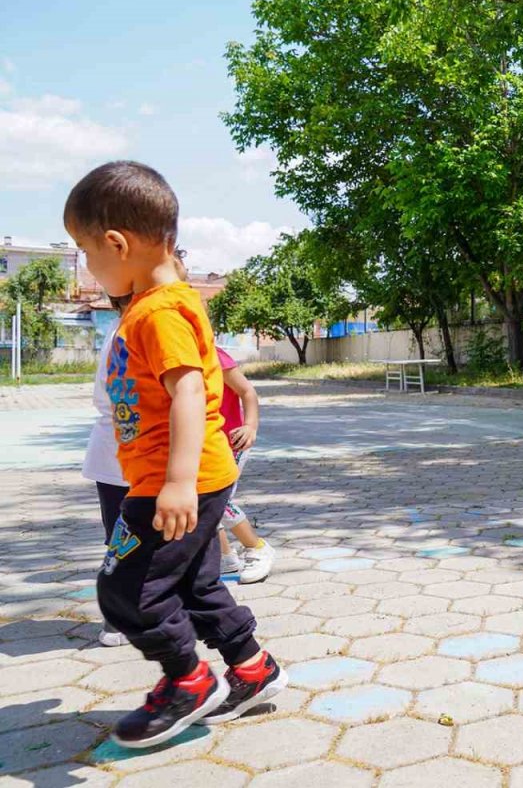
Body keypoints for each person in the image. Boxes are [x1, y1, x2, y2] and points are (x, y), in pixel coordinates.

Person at [64, 161, 287, 748]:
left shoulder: (160, 311)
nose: (88, 266)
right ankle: (253, 670)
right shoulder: (154, 303)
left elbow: (189, 391)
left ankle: (188, 681)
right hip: (182, 478)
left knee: (126, 590)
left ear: (117, 244)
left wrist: (179, 483)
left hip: (174, 482)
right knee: (193, 584)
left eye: (86, 252)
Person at [81, 294, 133, 647]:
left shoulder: (121, 328)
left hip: (119, 453)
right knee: (123, 540)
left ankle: (124, 615)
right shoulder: (129, 332)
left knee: (124, 539)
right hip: (126, 454)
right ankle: (117, 618)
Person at [214, 347, 275, 583]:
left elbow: (247, 391)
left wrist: (250, 426)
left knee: (217, 501)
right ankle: (225, 558)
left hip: (232, 443)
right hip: (202, 446)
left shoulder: (214, 356)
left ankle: (257, 547)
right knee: (205, 506)